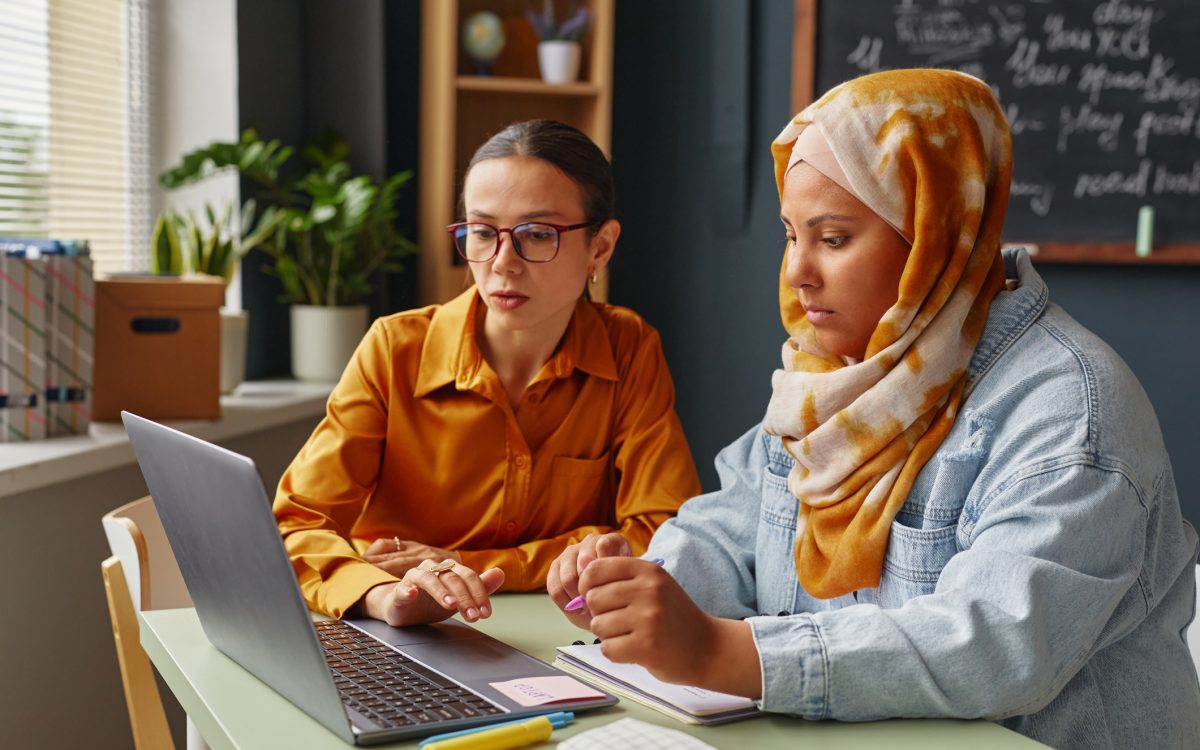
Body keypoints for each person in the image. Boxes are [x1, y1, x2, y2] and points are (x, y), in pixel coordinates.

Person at [548, 70, 1200, 748]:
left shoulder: (1072, 412)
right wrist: (639, 588)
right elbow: (733, 531)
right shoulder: (833, 376)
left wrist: (727, 654)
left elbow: (994, 647)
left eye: (832, 238)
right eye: (790, 233)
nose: (798, 271)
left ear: (934, 235)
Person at [274, 119, 700, 629]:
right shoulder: (395, 350)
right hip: (393, 633)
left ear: (600, 248)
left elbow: (664, 532)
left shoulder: (628, 348)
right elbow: (296, 525)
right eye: (481, 232)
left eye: (537, 234)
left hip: (561, 636)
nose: (503, 263)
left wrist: (471, 566)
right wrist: (385, 595)